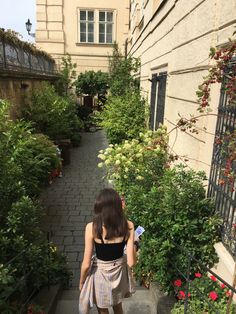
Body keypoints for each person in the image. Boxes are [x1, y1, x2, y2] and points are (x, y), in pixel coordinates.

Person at [79, 188, 137, 314]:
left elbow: (86, 264)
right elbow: (132, 262)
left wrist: (82, 281)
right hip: (119, 273)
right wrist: (134, 245)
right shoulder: (129, 226)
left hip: (101, 274)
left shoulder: (92, 227)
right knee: (118, 306)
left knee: (102, 308)